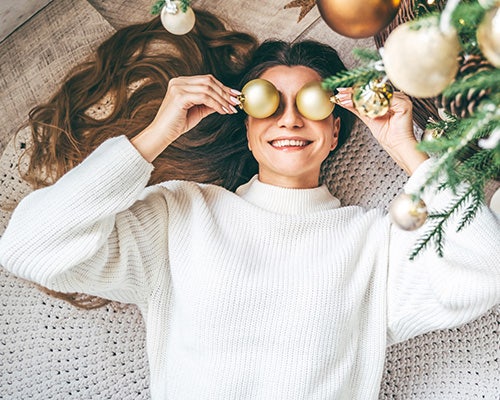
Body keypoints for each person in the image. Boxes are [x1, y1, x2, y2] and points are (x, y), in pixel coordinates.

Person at [0, 10, 499, 400]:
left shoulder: (374, 243)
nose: (288, 120)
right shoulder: (182, 214)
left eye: (311, 103)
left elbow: (487, 269)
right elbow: (29, 247)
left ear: (335, 130)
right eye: (267, 102)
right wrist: (156, 135)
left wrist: (403, 146)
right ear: (246, 123)